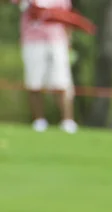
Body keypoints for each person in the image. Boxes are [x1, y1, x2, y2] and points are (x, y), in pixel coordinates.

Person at [9, 0, 78, 133]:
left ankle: (67, 121)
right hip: (32, 40)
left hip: (57, 40)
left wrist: (69, 40)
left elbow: (67, 16)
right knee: (34, 82)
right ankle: (39, 120)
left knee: (61, 82)